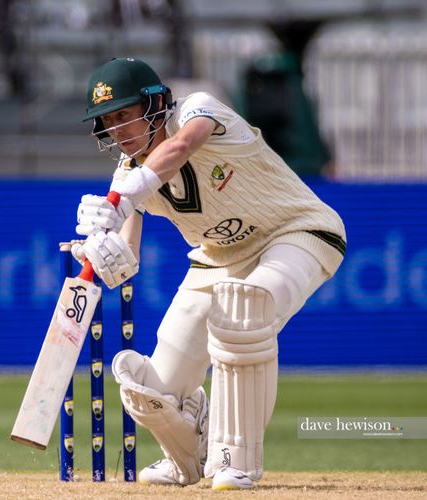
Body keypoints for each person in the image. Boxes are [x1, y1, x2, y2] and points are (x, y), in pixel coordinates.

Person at [71, 58, 346, 490]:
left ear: (155, 103)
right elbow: (126, 260)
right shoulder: (126, 176)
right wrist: (103, 248)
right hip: (218, 258)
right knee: (149, 389)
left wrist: (125, 196)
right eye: (108, 121)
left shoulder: (199, 109)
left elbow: (181, 147)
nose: (117, 129)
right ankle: (186, 457)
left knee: (245, 310)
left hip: (298, 231)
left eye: (124, 114)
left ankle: (235, 461)